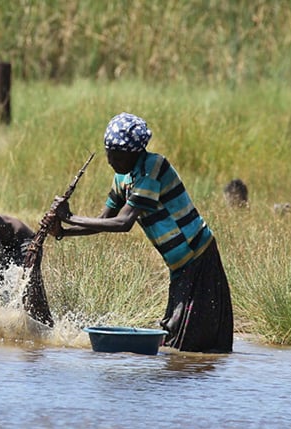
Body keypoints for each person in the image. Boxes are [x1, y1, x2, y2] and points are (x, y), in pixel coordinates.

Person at [53, 112, 234, 353]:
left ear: (134, 153)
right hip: (179, 265)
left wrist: (69, 217)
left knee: (193, 337)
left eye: (116, 154)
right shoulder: (122, 178)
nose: (110, 160)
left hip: (197, 256)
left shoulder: (153, 168)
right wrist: (62, 231)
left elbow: (123, 222)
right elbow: (103, 221)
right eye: (108, 152)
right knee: (179, 335)